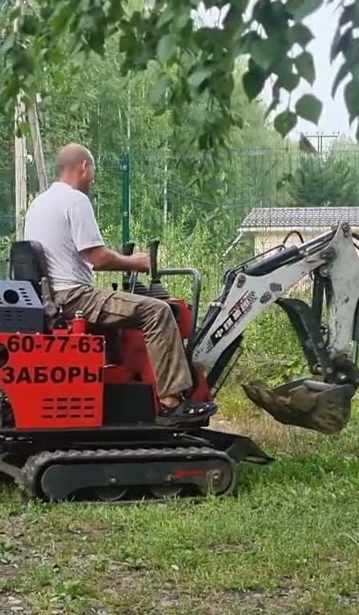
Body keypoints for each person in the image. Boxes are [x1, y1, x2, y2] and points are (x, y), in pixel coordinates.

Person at [21, 143, 217, 424]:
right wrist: (136, 262)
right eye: (93, 172)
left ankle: (118, 385)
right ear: (84, 167)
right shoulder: (75, 201)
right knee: (158, 312)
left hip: (50, 297)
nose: (93, 180)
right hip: (73, 297)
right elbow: (97, 258)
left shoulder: (38, 204)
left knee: (117, 326)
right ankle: (172, 401)